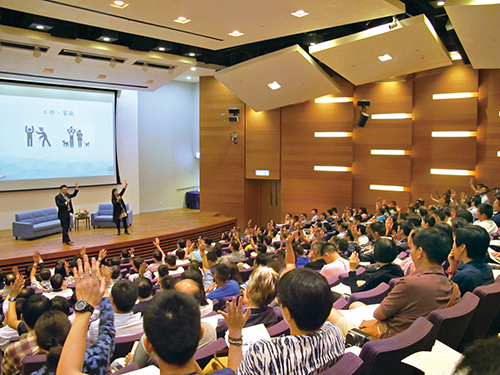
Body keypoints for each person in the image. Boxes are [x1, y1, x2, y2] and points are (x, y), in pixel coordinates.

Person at [330, 227, 460, 338]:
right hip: (414, 335)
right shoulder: (452, 287)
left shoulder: (410, 284)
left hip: (385, 339)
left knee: (330, 312)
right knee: (355, 304)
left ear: (420, 252)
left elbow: (378, 314)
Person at [221, 268, 345, 374]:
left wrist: (235, 333)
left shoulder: (263, 355)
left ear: (287, 313)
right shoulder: (334, 331)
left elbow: (234, 372)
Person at [56, 255, 119, 375]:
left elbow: (65, 372)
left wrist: (86, 305)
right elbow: (107, 331)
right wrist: (104, 292)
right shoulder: (100, 355)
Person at [216, 266, 279, 338]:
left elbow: (220, 329)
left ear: (249, 291)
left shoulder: (233, 320)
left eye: (248, 282)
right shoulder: (273, 315)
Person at [447, 225, 494, 295]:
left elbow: (448, 297)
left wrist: (451, 272)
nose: (453, 246)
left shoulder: (462, 276)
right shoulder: (488, 269)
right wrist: (453, 268)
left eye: (454, 241)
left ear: (462, 247)